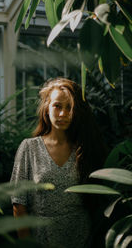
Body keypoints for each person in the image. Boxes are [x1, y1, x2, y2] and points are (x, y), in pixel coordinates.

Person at [10, 78, 106, 248]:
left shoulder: (85, 148)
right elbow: (19, 204)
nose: (63, 114)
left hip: (82, 237)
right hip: (42, 238)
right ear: (47, 107)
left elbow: (98, 204)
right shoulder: (29, 148)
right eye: (57, 106)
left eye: (69, 107)